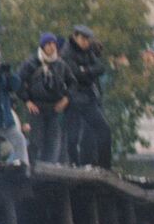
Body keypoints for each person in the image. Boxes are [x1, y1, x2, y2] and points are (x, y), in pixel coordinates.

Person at [17, 34, 75, 164]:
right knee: (36, 140)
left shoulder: (60, 64)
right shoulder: (31, 63)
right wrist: (27, 101)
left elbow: (72, 83)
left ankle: (49, 168)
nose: (52, 47)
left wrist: (66, 99)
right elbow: (19, 82)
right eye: (48, 44)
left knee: (53, 141)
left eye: (53, 44)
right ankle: (32, 165)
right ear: (43, 46)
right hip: (36, 107)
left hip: (54, 107)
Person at [62, 24, 112, 168]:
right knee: (73, 136)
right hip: (73, 99)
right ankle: (74, 165)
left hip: (88, 97)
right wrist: (88, 71)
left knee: (103, 130)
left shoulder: (88, 51)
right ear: (75, 37)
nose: (86, 42)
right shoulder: (67, 52)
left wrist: (85, 70)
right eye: (83, 39)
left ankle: (105, 166)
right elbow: (75, 74)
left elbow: (100, 68)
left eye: (88, 39)